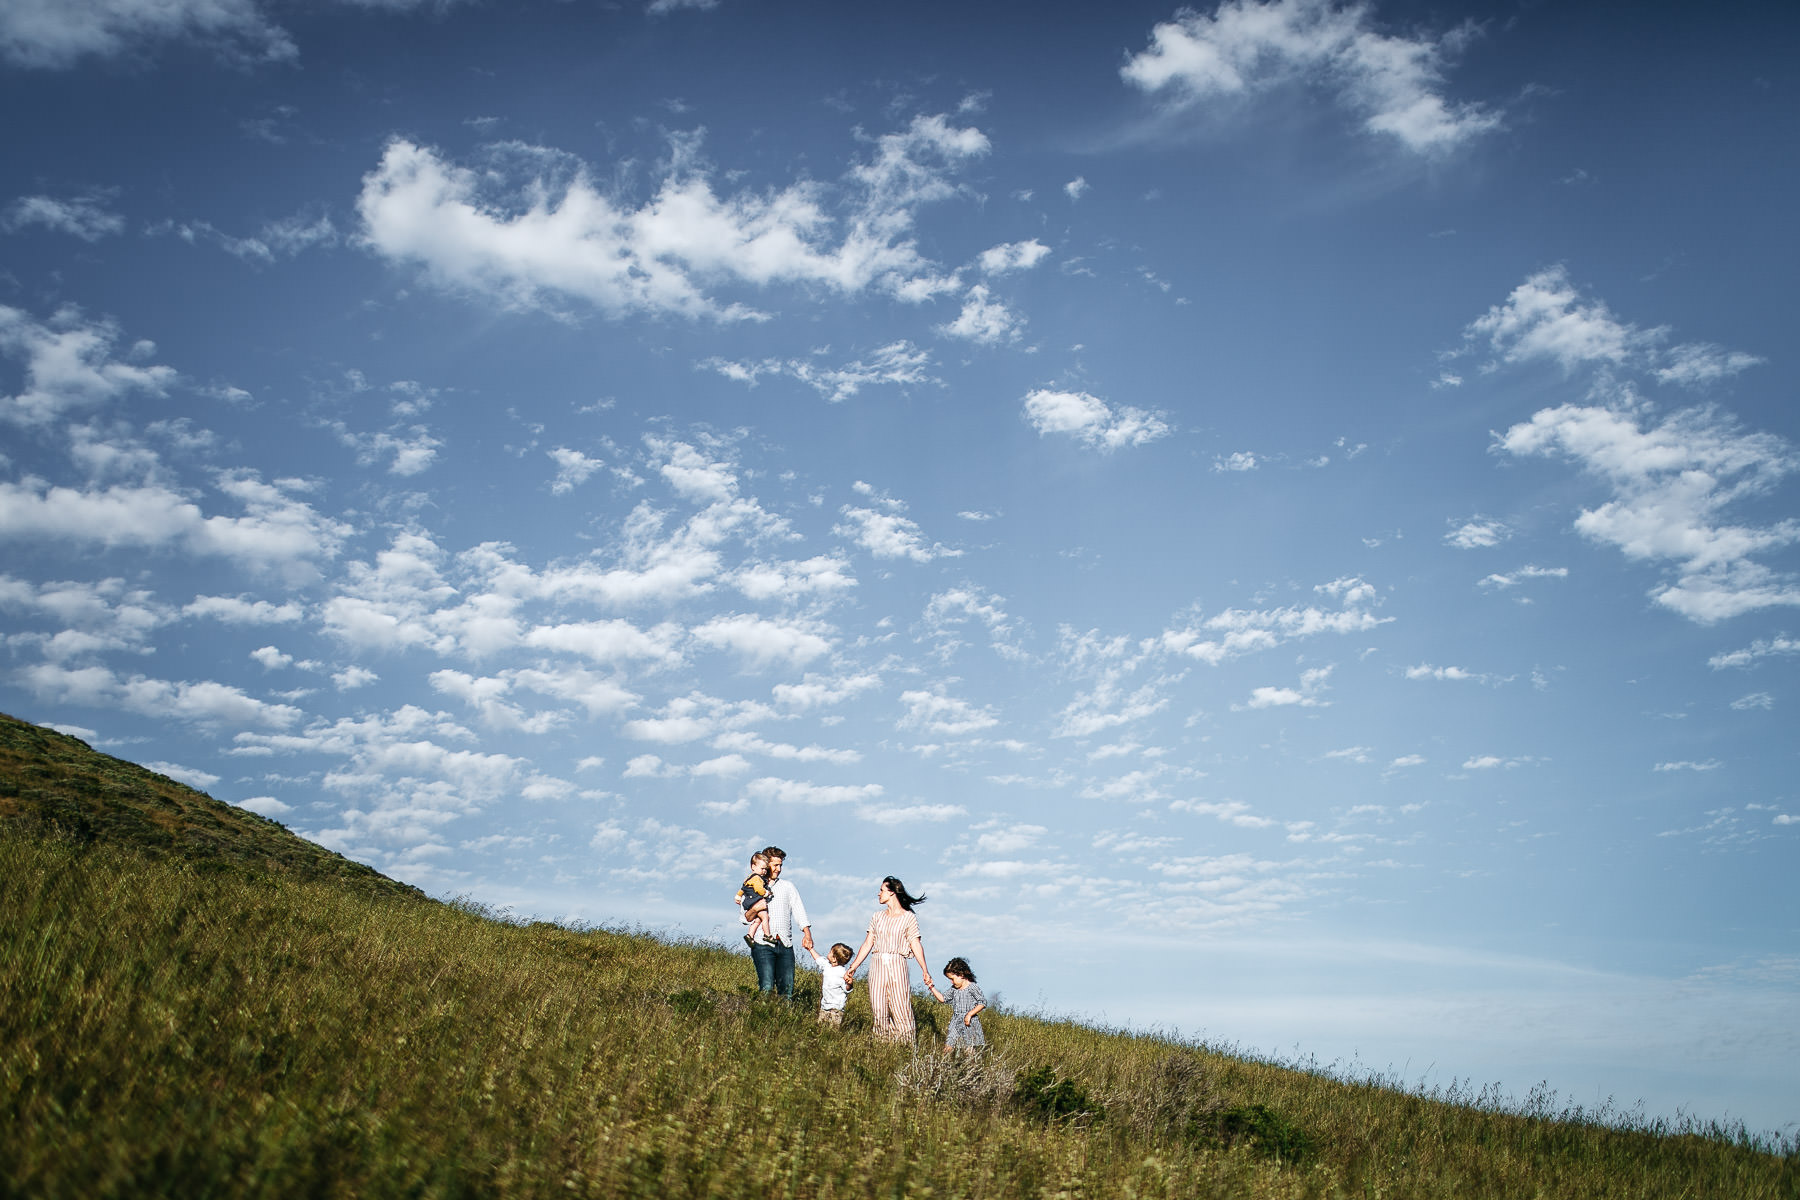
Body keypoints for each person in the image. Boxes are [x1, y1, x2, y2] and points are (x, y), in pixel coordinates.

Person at [845, 876, 939, 1044]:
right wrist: (853, 967)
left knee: (901, 1005)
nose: (878, 894)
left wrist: (925, 970)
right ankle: (883, 1047)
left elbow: (915, 944)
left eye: (881, 890)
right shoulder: (877, 917)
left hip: (898, 963)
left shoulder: (908, 917)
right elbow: (868, 943)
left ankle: (906, 1046)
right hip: (877, 963)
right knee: (878, 1007)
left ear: (892, 892)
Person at [745, 845, 812, 998]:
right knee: (766, 986)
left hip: (785, 944)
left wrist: (807, 934)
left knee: (787, 990)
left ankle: (784, 1020)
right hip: (762, 945)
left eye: (780, 865)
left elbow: (799, 911)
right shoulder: (752, 886)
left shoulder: (788, 887)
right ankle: (763, 1018)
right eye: (775, 865)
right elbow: (745, 918)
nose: (779, 869)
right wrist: (756, 908)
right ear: (766, 864)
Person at [930, 957, 987, 1053]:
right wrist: (931, 987)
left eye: (952, 979)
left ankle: (972, 1067)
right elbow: (942, 999)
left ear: (961, 975)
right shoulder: (954, 989)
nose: (951, 982)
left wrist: (969, 1014)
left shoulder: (972, 987)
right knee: (948, 1047)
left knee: (969, 1051)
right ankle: (943, 1066)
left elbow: (982, 1003)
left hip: (969, 1023)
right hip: (955, 1022)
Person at [809, 942, 855, 1026]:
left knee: (833, 1030)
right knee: (820, 1027)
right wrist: (810, 949)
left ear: (834, 958)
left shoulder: (842, 973)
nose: (828, 952)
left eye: (830, 952)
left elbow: (847, 989)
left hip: (836, 1009)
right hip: (824, 1006)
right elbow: (819, 959)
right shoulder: (827, 966)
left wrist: (850, 984)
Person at [736, 851, 773, 947]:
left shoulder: (749, 878)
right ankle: (767, 935)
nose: (764, 871)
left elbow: (743, 888)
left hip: (750, 903)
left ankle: (750, 935)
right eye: (762, 869)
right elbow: (759, 889)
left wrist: (738, 896)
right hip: (755, 901)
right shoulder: (757, 878)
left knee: (758, 920)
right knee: (765, 917)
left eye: (766, 869)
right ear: (753, 867)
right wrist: (766, 893)